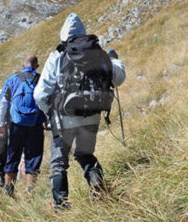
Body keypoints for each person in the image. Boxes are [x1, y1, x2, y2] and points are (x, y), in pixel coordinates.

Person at [34, 13, 126, 209]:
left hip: (64, 117)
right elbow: (119, 77)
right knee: (85, 154)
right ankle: (98, 186)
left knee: (59, 162)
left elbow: (40, 94)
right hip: (92, 113)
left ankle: (61, 207)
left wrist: (50, 113)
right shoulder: (98, 53)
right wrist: (114, 60)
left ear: (63, 36)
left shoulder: (58, 56)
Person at [0, 56, 45, 196]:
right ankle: (30, 190)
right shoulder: (41, 79)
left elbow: (3, 102)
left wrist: (1, 123)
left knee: (12, 155)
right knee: (33, 156)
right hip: (36, 124)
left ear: (23, 64)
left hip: (16, 124)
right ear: (36, 65)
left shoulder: (13, 78)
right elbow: (47, 100)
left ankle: (8, 188)